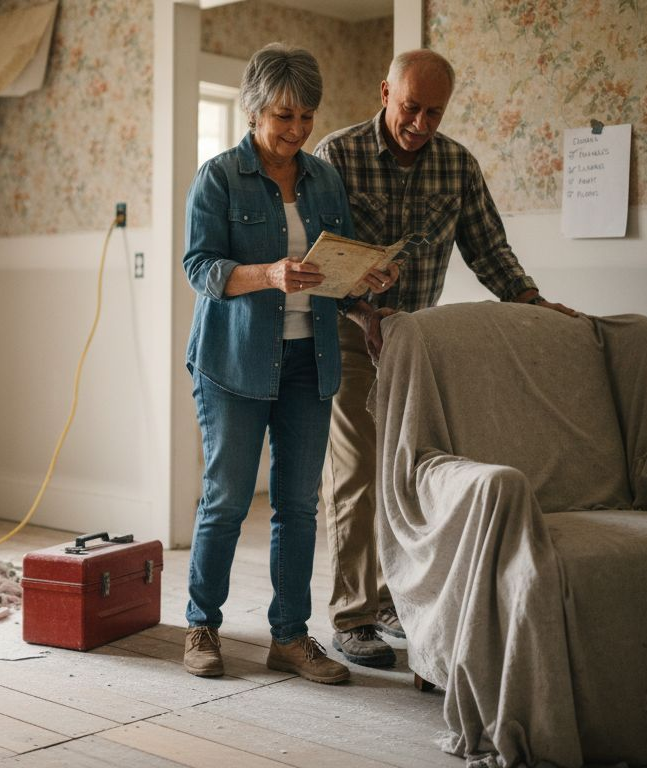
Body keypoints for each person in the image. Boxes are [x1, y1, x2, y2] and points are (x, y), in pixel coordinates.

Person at [313, 49, 578, 668]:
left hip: (415, 338)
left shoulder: (457, 166)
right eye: (411, 108)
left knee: (408, 471)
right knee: (356, 473)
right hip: (349, 333)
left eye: (435, 112)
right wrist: (363, 314)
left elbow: (490, 250)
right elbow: (320, 263)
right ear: (385, 93)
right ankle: (352, 615)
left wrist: (534, 304)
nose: (422, 123)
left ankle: (393, 602)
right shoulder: (337, 156)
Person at [181, 43, 398, 684]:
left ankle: (290, 635)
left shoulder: (323, 178)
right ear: (253, 110)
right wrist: (269, 274)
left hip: (311, 361)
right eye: (284, 116)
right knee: (225, 500)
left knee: (299, 505)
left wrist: (367, 286)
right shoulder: (218, 177)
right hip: (234, 362)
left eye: (307, 117)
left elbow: (332, 271)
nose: (298, 131)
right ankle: (201, 624)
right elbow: (201, 268)